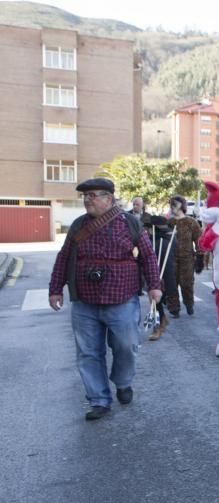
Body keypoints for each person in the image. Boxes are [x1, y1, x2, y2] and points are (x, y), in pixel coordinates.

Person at [48, 178, 163, 421]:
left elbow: (148, 256)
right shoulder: (78, 225)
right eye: (85, 196)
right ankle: (99, 400)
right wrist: (55, 288)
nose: (87, 199)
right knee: (88, 353)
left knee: (126, 346)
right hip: (84, 302)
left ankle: (122, 382)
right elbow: (63, 257)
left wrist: (155, 285)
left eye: (93, 195)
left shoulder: (130, 223)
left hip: (121, 299)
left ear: (109, 198)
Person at [168, 195, 203, 316]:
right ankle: (174, 308)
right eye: (171, 204)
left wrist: (200, 257)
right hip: (172, 259)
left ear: (182, 206)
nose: (172, 207)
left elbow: (199, 241)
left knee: (187, 284)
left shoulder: (191, 223)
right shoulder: (169, 223)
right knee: (171, 284)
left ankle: (189, 303)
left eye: (175, 204)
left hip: (187, 259)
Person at [147, 215, 178, 338]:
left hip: (161, 275)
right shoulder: (170, 238)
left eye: (149, 228)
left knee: (155, 302)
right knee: (156, 302)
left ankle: (157, 328)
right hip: (166, 276)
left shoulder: (158, 241)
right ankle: (161, 321)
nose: (147, 230)